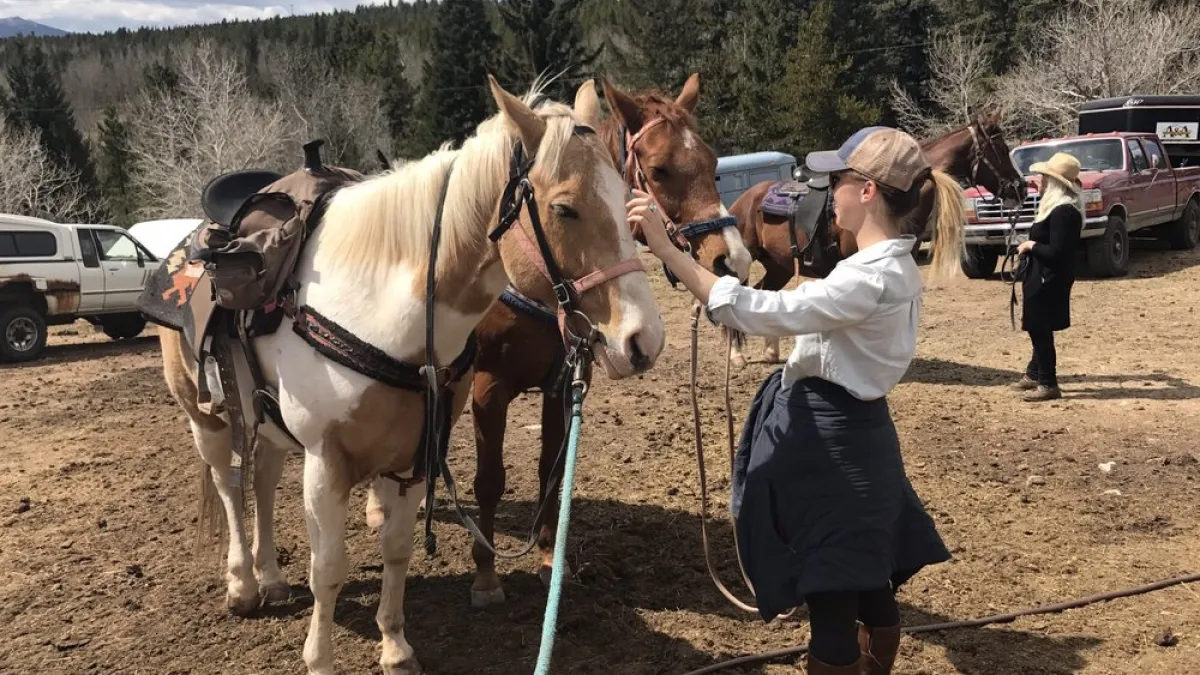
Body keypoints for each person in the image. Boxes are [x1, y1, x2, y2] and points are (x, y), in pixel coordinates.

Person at [628, 126, 955, 675]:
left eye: (836, 180)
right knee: (870, 582)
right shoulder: (890, 268)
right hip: (865, 439)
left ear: (868, 191)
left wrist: (666, 249)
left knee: (830, 597)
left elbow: (747, 311)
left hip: (832, 448)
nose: (827, 192)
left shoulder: (864, 280)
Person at [1011, 152, 1084, 402]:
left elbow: (1057, 252)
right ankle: (1034, 373)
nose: (1039, 181)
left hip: (1048, 277)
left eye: (1044, 178)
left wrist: (1031, 246)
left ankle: (1048, 382)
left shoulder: (1063, 212)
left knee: (1039, 329)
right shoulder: (1058, 208)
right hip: (1043, 275)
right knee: (1037, 326)